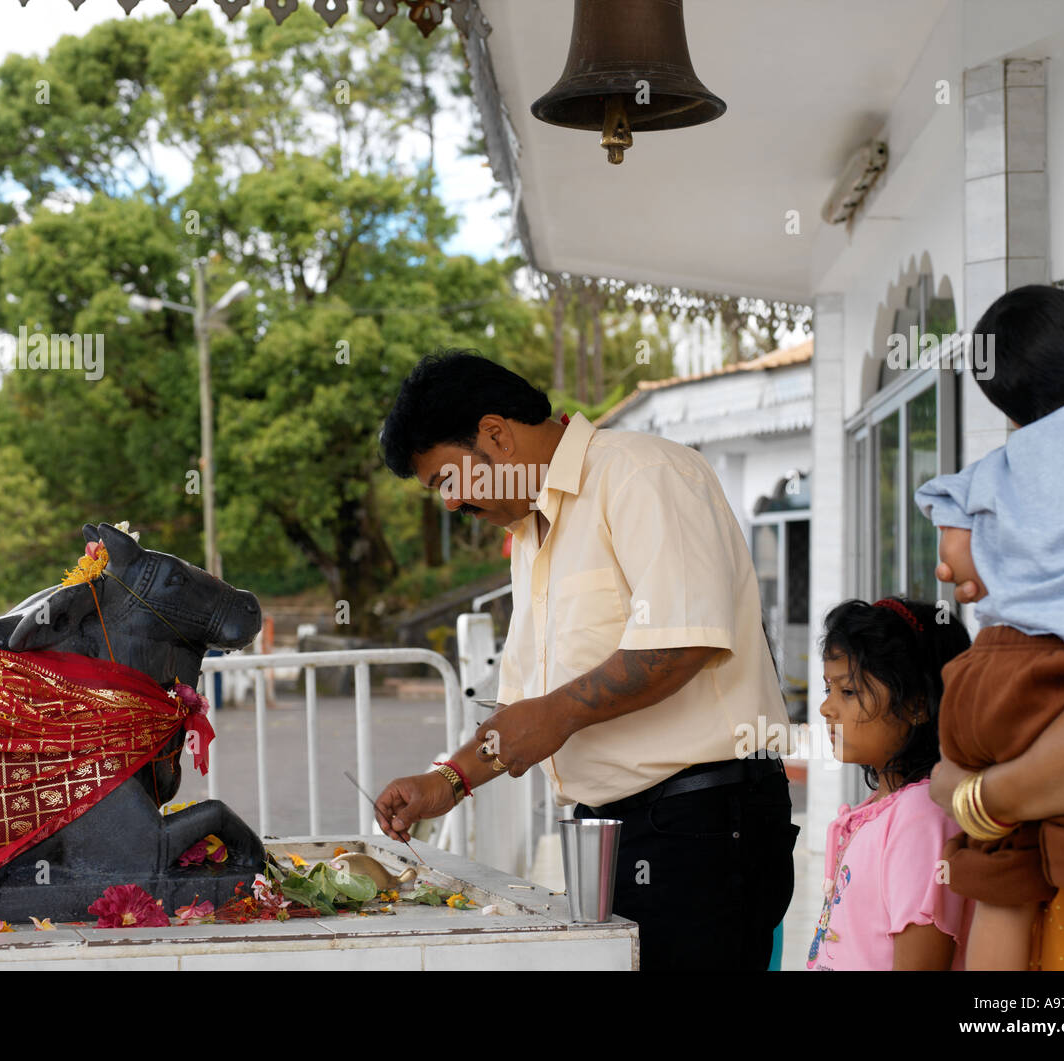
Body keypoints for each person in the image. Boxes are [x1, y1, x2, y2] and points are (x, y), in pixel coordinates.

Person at [373, 350, 798, 970]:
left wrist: (559, 714)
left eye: (446, 481)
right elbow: (526, 715)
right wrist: (448, 780)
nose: (449, 504)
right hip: (616, 830)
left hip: (700, 823)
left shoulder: (639, 472)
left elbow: (683, 640)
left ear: (494, 434)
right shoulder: (531, 534)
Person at [915, 284, 1064, 970]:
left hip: (982, 682)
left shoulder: (1000, 461)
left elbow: (949, 536)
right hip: (1059, 680)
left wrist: (974, 557)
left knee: (1000, 891)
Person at [807, 598, 973, 970]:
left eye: (848, 692)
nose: (826, 708)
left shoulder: (921, 818)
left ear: (916, 705)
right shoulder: (884, 809)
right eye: (827, 689)